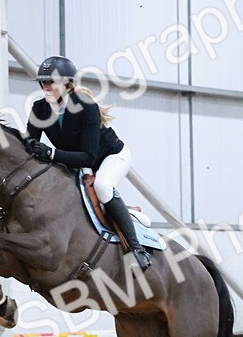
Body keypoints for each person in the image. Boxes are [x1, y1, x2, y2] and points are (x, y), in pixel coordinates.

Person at [25, 55, 151, 271]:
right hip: (76, 161)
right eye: (43, 82)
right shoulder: (40, 109)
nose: (46, 87)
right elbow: (29, 144)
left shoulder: (86, 106)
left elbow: (88, 157)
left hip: (111, 157)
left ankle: (136, 249)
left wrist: (51, 153)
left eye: (51, 82)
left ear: (67, 84)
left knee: (103, 186)